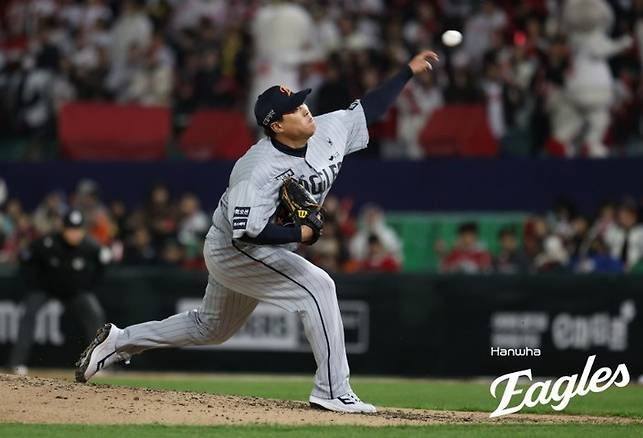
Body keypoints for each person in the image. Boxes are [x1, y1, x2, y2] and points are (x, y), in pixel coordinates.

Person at [75, 50, 440, 413]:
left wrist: (407, 71)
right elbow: (245, 233)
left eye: (301, 102)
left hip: (254, 247)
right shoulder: (257, 169)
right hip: (235, 249)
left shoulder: (329, 130)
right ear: (276, 126)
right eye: (294, 109)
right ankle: (332, 390)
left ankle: (118, 341)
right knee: (319, 288)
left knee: (210, 328)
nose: (305, 109)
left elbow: (369, 109)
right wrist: (303, 235)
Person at [6, 209, 111, 375]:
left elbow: (103, 266)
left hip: (74, 291)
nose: (74, 234)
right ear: (63, 229)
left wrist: (88, 286)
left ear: (83, 230)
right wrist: (33, 284)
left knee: (95, 312)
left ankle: (100, 364)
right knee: (29, 314)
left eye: (77, 229)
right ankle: (17, 363)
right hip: (45, 289)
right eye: (70, 229)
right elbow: (25, 258)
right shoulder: (47, 242)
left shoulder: (90, 246)